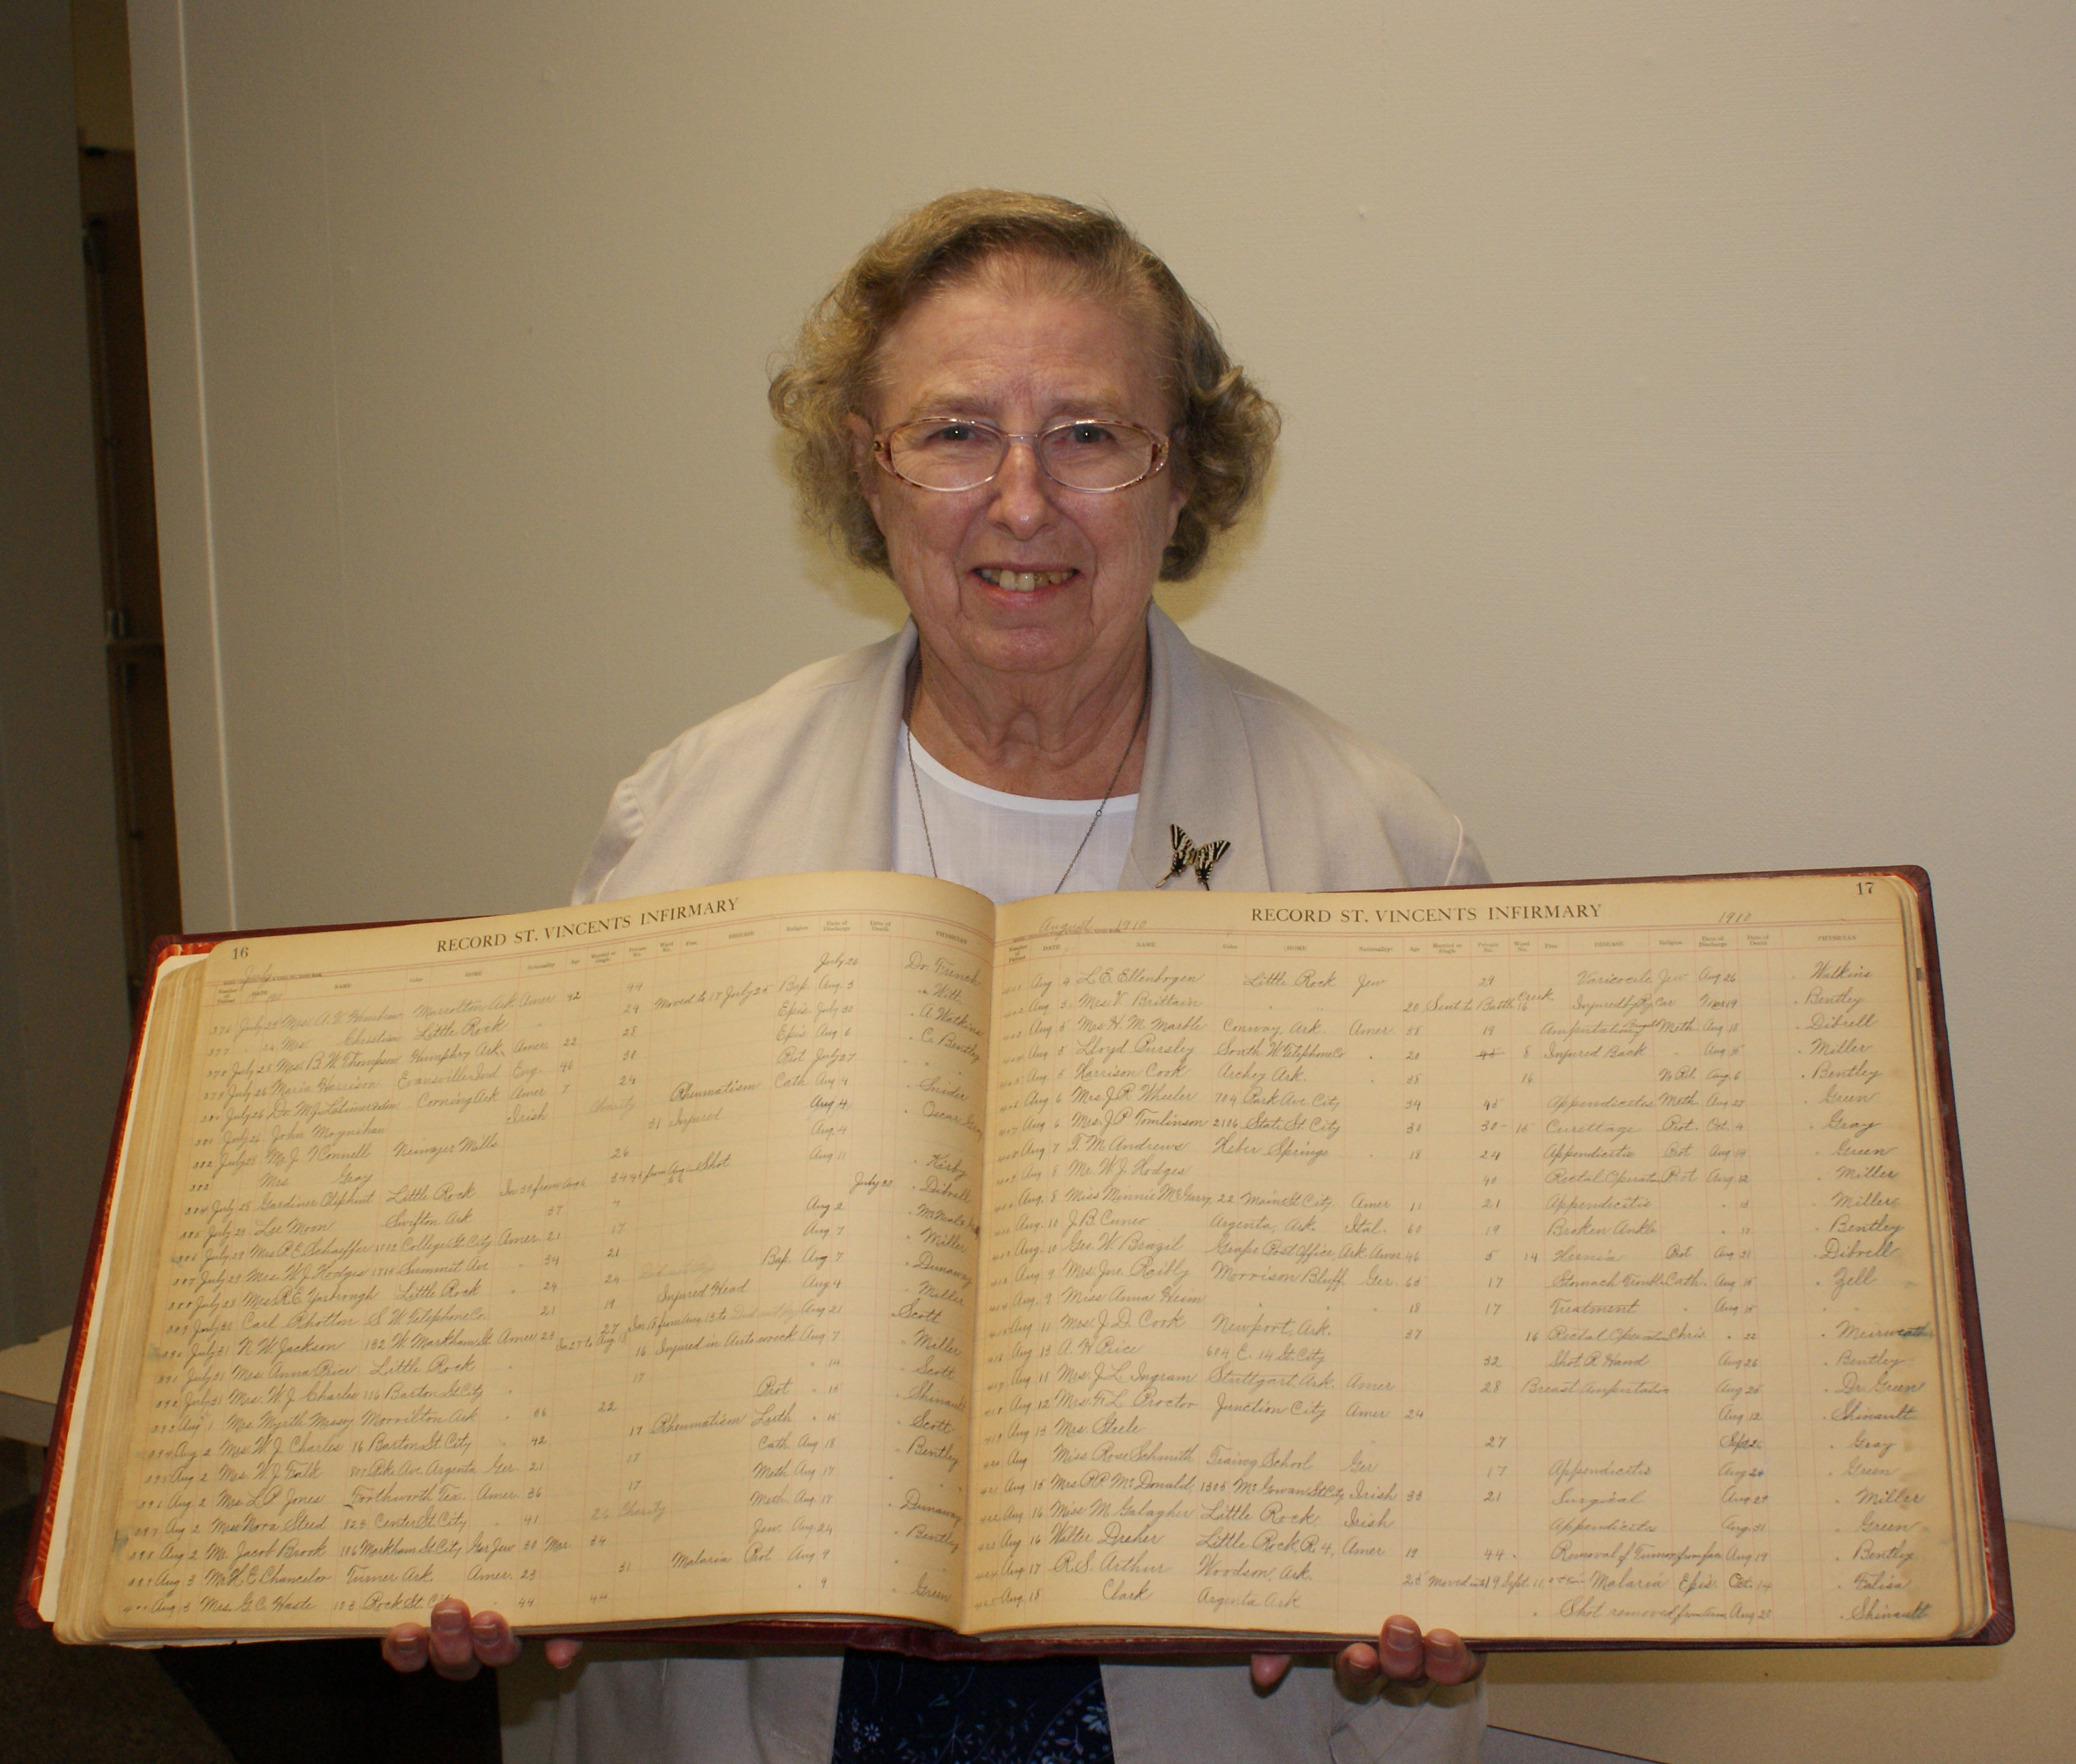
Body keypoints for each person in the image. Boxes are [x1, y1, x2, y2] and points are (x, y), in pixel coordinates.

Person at [385, 190, 1489, 1762]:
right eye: (956, 430)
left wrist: (1462, 1544)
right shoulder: (690, 815)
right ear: (866, 469)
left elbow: (1462, 1338)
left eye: (1093, 434)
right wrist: (479, 1506)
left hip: (1206, 1700)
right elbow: (563, 1281)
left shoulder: (1374, 839)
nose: (1021, 501)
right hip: (751, 1677)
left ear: (1185, 478)